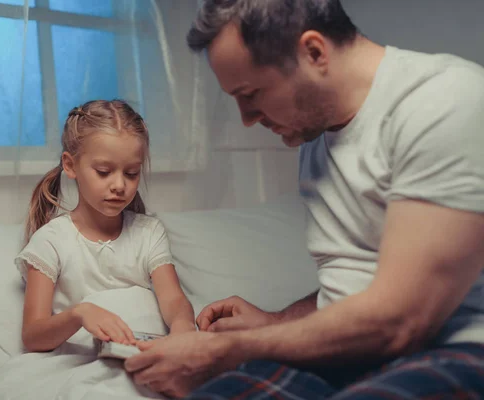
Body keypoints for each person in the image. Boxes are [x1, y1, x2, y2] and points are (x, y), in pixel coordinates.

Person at [124, 0, 484, 398]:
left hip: (452, 351)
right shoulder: (315, 138)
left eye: (251, 93)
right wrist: (275, 322)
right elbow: (355, 281)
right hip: (346, 353)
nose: (246, 118)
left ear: (313, 52)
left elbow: (400, 321)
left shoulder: (443, 102)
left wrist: (224, 349)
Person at [18, 99, 196, 354]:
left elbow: (174, 300)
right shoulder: (51, 241)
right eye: (104, 171)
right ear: (70, 165)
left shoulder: (149, 233)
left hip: (146, 354)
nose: (120, 185)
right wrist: (79, 314)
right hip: (83, 362)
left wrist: (183, 329)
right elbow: (33, 336)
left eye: (132, 173)